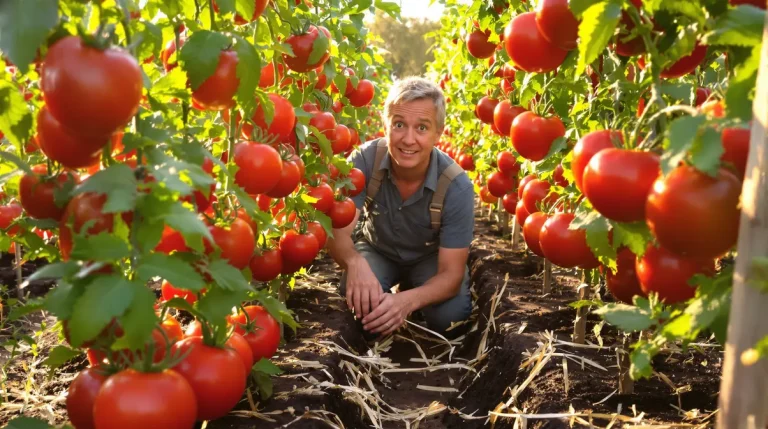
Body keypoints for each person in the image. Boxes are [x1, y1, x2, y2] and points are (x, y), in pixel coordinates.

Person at [326, 76, 475, 340]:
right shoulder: (365, 161)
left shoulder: (456, 185)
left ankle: (410, 292)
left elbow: (451, 275)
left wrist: (406, 302)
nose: (408, 139)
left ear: (438, 134)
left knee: (450, 318)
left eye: (422, 128)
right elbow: (338, 233)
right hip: (377, 249)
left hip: (427, 259)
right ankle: (387, 293)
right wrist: (354, 262)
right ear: (385, 126)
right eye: (398, 124)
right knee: (360, 309)